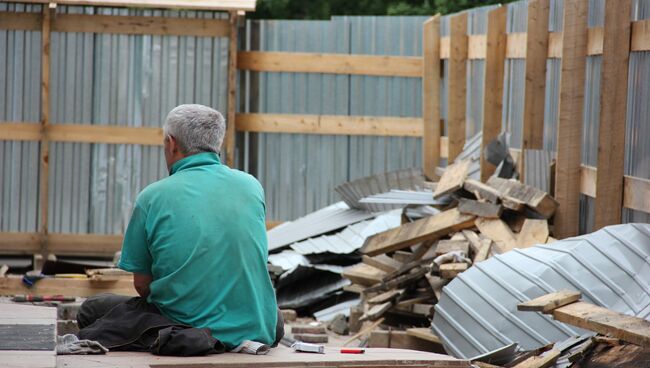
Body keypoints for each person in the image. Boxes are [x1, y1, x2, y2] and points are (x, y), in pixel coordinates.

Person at [76, 104, 283, 355]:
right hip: (253, 326)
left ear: (171, 143)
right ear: (216, 143)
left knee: (93, 308)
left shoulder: (153, 196)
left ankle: (195, 336)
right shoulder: (251, 186)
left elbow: (142, 285)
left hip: (187, 325)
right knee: (276, 319)